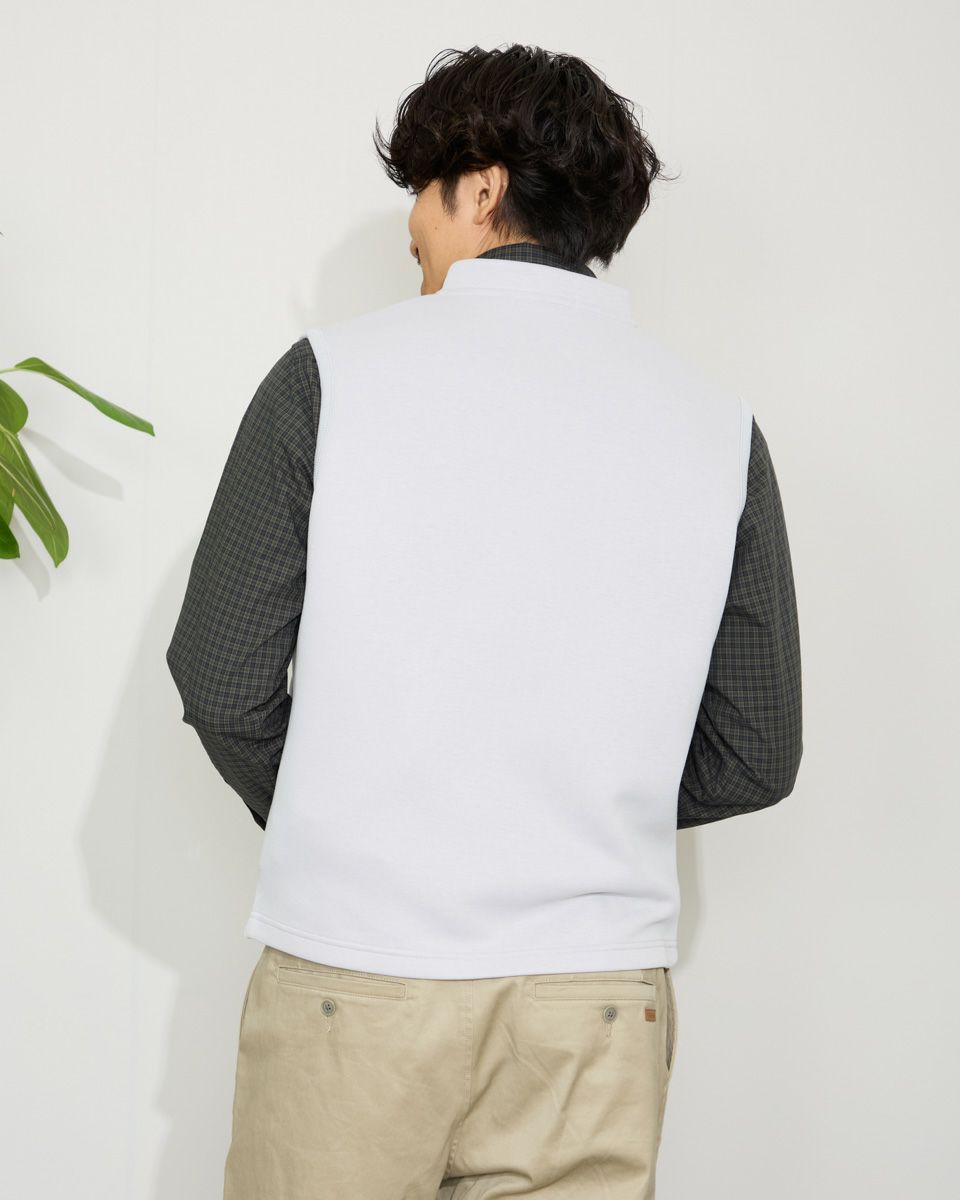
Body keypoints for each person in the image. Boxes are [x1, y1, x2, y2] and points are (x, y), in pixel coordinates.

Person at [166, 42, 802, 1200]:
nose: (413, 235)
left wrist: (337, 814)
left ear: (482, 185)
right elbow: (756, 750)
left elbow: (220, 678)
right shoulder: (720, 429)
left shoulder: (326, 380)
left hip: (358, 976)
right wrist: (572, 814)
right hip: (595, 1004)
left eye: (424, 194)